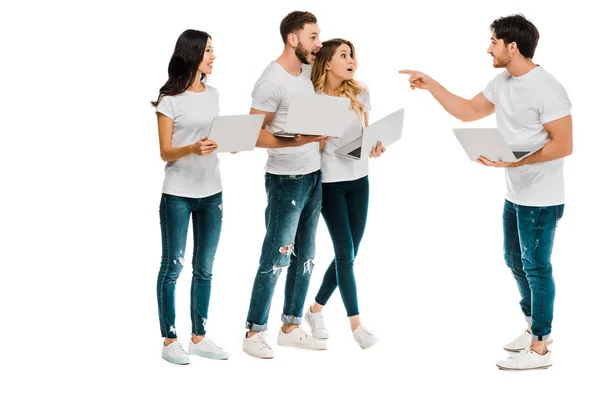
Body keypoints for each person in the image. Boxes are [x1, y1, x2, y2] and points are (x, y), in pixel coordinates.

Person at [400, 14, 572, 370]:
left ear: (512, 46)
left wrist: (513, 164)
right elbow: (466, 111)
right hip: (516, 195)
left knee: (537, 268)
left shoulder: (548, 88)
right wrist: (431, 84)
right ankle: (533, 326)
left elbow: (564, 144)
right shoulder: (502, 82)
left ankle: (541, 348)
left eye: (493, 42)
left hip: (541, 199)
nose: (488, 48)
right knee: (514, 261)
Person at [242, 11, 329, 359]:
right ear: (292, 39)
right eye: (312, 37)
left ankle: (291, 326)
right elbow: (251, 133)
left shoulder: (308, 73)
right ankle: (253, 331)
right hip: (285, 182)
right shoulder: (271, 80)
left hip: (313, 175)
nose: (318, 43)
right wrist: (292, 142)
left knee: (305, 256)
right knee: (277, 257)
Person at [152, 29, 229, 364]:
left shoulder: (213, 94)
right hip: (178, 195)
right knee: (173, 267)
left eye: (214, 50)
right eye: (208, 50)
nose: (213, 56)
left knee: (205, 268)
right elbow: (166, 152)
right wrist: (193, 149)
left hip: (212, 192)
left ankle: (198, 336)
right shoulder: (169, 100)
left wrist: (228, 142)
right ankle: (170, 339)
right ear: (193, 53)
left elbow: (213, 137)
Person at [304, 38, 385, 349]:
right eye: (343, 55)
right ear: (328, 63)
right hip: (331, 183)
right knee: (344, 254)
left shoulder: (359, 91)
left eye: (352, 55)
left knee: (350, 254)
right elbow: (313, 142)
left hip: (360, 178)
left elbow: (365, 132)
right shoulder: (313, 98)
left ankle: (315, 310)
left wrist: (374, 145)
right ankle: (356, 325)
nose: (351, 60)